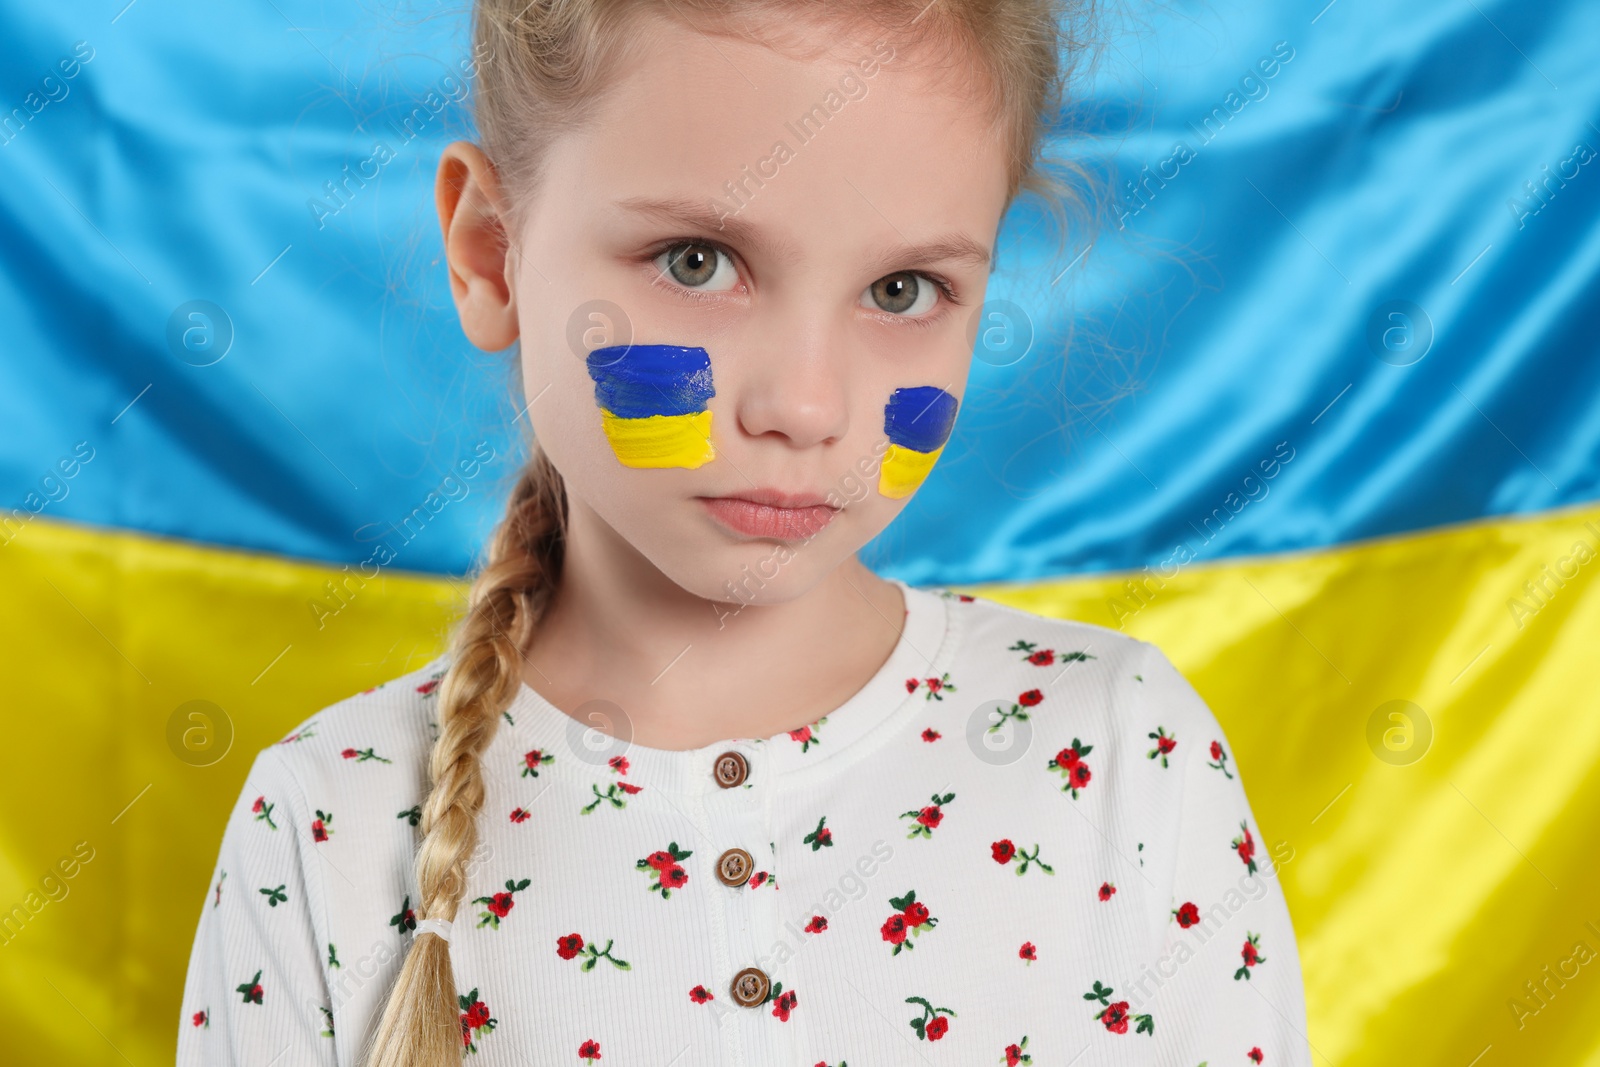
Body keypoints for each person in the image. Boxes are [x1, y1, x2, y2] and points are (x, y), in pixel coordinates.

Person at [177, 1, 1311, 1064]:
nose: (805, 406)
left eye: (904, 289)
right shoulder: (330, 817)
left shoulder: (1121, 752)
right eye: (697, 262)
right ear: (490, 252)